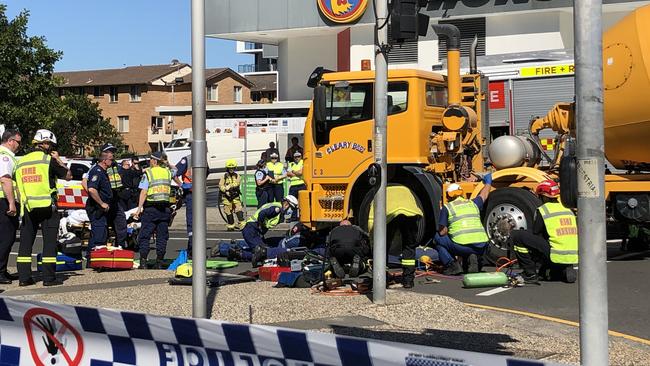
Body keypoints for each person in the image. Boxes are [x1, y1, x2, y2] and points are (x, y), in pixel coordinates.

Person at [15, 129, 71, 286]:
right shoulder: (48, 160)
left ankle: (24, 278)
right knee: (49, 243)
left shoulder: (21, 161)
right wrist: (59, 160)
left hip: (28, 206)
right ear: (44, 144)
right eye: (50, 144)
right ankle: (48, 278)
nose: (51, 147)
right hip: (47, 206)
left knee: (26, 243)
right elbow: (68, 175)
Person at [508, 180, 578, 284]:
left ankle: (530, 273)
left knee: (518, 236)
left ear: (544, 196)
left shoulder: (544, 209)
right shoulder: (567, 209)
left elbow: (536, 232)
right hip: (572, 256)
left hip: (554, 254)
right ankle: (563, 268)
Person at [434, 174, 493, 276]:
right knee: (466, 242)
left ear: (448, 196)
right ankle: (474, 256)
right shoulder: (473, 203)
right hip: (482, 246)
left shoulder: (447, 207)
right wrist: (488, 182)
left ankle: (452, 265)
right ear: (461, 193)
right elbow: (484, 195)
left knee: (437, 238)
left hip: (462, 246)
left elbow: (443, 232)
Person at [369, 185, 424, 288]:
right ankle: (408, 281)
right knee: (409, 246)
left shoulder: (379, 193)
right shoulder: (405, 189)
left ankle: (382, 279)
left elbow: (372, 219)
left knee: (383, 246)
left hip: (391, 216)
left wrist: (372, 237)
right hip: (410, 214)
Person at [134, 152, 172, 269]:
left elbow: (144, 192)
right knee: (162, 236)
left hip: (151, 208)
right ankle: (159, 262)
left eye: (151, 159)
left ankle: (144, 262)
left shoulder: (149, 173)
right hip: (165, 209)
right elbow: (174, 170)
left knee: (145, 235)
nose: (149, 161)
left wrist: (139, 209)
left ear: (155, 161)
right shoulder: (167, 172)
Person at [238, 195, 298, 267]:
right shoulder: (277, 208)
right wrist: (260, 226)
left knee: (263, 249)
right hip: (251, 230)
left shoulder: (279, 209)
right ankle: (238, 253)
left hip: (254, 231)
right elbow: (262, 214)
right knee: (261, 252)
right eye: (291, 208)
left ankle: (237, 252)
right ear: (286, 204)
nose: (291, 210)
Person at [0, 130, 21, 284]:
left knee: (6, 237)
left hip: (2, 201)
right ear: (10, 141)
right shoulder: (5, 157)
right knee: (6, 238)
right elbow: (5, 180)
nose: (19, 145)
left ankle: (3, 270)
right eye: (18, 142)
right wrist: (12, 203)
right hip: (3, 202)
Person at [85, 151, 114, 260]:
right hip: (96, 208)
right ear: (104, 160)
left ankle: (92, 259)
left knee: (99, 233)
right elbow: (92, 189)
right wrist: (101, 203)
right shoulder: (97, 171)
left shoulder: (103, 171)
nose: (112, 161)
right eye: (110, 159)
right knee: (99, 234)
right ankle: (94, 260)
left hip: (102, 209)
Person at [173, 154, 193, 251]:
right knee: (192, 221)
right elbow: (174, 173)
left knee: (197, 221)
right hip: (190, 194)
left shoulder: (203, 158)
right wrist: (182, 185)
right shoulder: (187, 160)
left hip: (198, 194)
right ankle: (192, 246)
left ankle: (194, 246)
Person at [219, 159, 246, 231]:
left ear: (235, 168)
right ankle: (231, 225)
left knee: (238, 209)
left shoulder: (237, 176)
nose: (231, 169)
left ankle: (242, 225)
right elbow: (220, 185)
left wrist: (230, 186)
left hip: (235, 196)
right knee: (228, 211)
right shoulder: (224, 177)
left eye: (232, 168)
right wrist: (225, 189)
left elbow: (237, 183)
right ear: (227, 168)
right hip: (227, 197)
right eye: (230, 168)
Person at [286, 151, 305, 222]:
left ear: (301, 157)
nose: (297, 158)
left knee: (302, 202)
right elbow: (288, 173)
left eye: (298, 156)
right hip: (293, 185)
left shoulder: (303, 162)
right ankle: (293, 217)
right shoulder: (291, 164)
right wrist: (296, 173)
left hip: (301, 184)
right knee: (292, 202)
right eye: (295, 157)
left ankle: (302, 216)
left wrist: (293, 172)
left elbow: (301, 172)